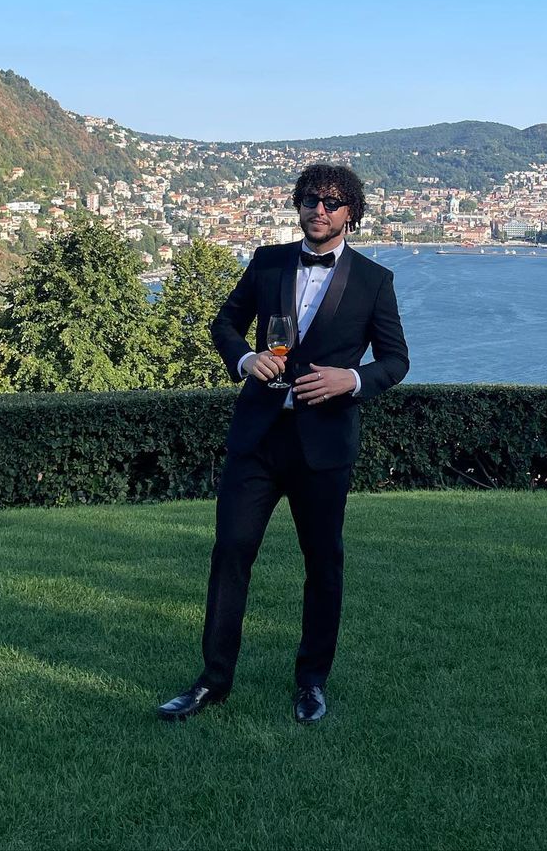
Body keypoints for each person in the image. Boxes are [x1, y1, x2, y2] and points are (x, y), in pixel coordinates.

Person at [158, 163, 409, 724]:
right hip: (258, 439)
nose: (319, 209)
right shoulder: (267, 261)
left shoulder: (374, 281)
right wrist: (245, 359)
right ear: (298, 205)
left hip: (324, 446)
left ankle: (312, 682)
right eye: (310, 199)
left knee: (323, 563)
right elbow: (225, 325)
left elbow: (396, 360)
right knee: (230, 553)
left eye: (332, 202)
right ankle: (212, 681)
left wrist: (352, 379)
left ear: (351, 214)